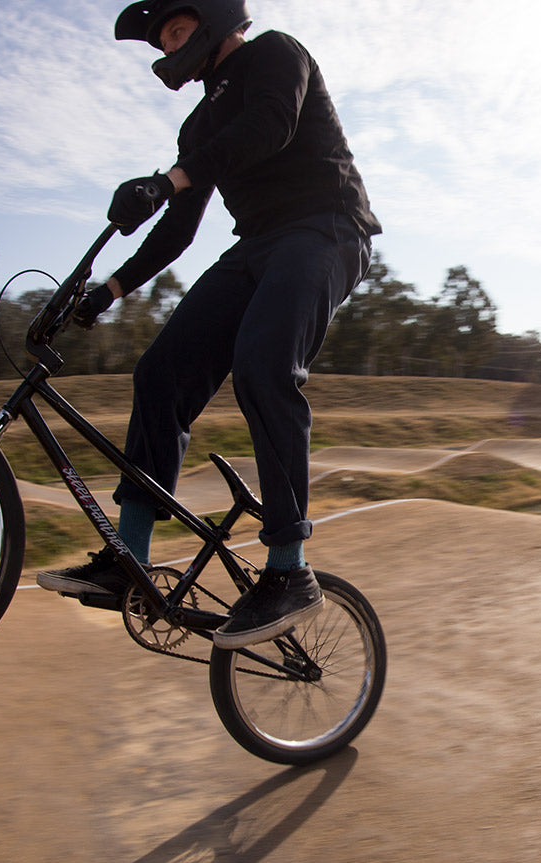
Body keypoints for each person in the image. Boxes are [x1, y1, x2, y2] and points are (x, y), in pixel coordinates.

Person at [35, 0, 380, 650]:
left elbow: (270, 126)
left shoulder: (276, 54)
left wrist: (172, 177)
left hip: (327, 227)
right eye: (162, 39)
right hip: (257, 247)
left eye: (175, 28)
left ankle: (288, 570)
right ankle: (128, 564)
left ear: (216, 15)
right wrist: (107, 289)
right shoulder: (199, 126)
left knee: (263, 364)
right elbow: (178, 228)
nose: (168, 46)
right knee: (160, 373)